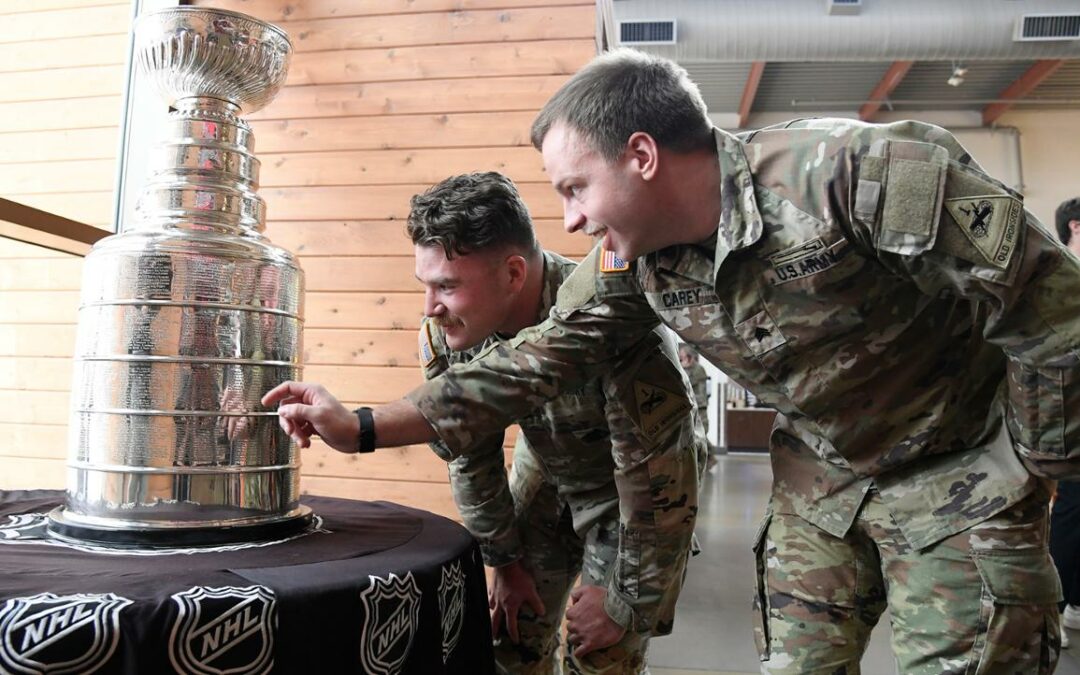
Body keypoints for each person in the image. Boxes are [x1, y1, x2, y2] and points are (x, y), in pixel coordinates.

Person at [267, 50, 1080, 673]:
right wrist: (364, 426)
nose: (572, 220)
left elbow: (1053, 313)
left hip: (959, 475)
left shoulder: (857, 175)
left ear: (643, 156)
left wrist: (1035, 462)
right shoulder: (639, 264)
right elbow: (532, 360)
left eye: (577, 189)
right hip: (821, 484)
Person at [274, 171, 707, 674]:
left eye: (448, 286)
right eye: (426, 285)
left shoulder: (616, 326)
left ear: (513, 275)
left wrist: (628, 603)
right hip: (546, 470)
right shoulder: (448, 332)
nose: (430, 308)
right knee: (510, 637)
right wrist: (503, 559)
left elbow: (660, 488)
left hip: (627, 495)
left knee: (601, 652)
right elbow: (468, 452)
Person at [1052, 196, 1080, 650]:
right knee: (1073, 508)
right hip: (1068, 406)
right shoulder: (1059, 273)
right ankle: (1053, 607)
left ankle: (1075, 599)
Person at [677, 344, 709, 428]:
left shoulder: (698, 368)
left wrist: (681, 367)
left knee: (702, 429)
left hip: (700, 405)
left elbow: (686, 382)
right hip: (690, 405)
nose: (681, 359)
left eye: (683, 357)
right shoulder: (686, 368)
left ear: (689, 357)